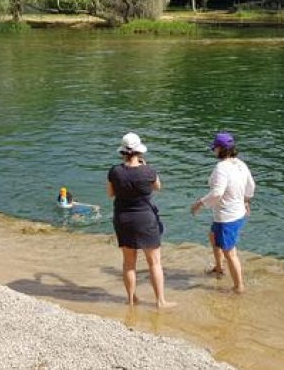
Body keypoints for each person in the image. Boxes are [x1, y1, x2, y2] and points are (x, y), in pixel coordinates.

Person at [106, 132, 174, 309]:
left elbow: (110, 194)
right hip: (145, 219)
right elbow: (158, 187)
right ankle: (160, 301)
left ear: (123, 151)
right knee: (154, 262)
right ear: (139, 152)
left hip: (123, 218)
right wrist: (146, 168)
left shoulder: (115, 171)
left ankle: (130, 299)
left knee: (129, 263)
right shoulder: (148, 171)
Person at [190, 131, 255, 293]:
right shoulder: (240, 163)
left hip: (227, 216)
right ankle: (218, 268)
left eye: (214, 148)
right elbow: (251, 185)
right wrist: (246, 201)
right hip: (237, 211)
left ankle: (239, 287)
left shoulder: (221, 168)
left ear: (219, 149)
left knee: (230, 252)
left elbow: (217, 193)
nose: (213, 151)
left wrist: (199, 203)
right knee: (212, 236)